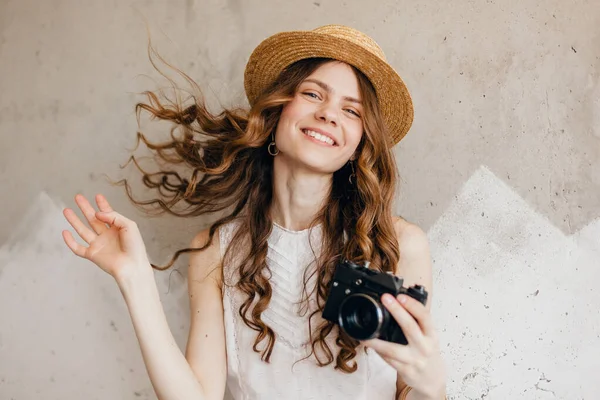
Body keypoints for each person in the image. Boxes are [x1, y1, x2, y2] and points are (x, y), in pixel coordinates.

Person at [62, 25, 447, 400]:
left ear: (359, 145)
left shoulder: (399, 245)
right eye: (313, 94)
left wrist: (431, 385)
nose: (329, 114)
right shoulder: (214, 250)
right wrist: (134, 279)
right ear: (278, 112)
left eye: (352, 111)